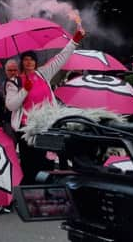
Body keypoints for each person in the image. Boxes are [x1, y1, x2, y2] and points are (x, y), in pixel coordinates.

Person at [6, 29, 85, 185]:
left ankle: (47, 196)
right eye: (25, 59)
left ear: (36, 62)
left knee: (48, 164)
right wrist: (25, 90)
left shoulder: (43, 74)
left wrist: (75, 40)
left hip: (48, 127)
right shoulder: (15, 82)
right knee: (30, 166)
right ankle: (29, 198)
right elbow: (11, 105)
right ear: (22, 63)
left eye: (31, 59)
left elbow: (61, 57)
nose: (28, 62)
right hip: (27, 129)